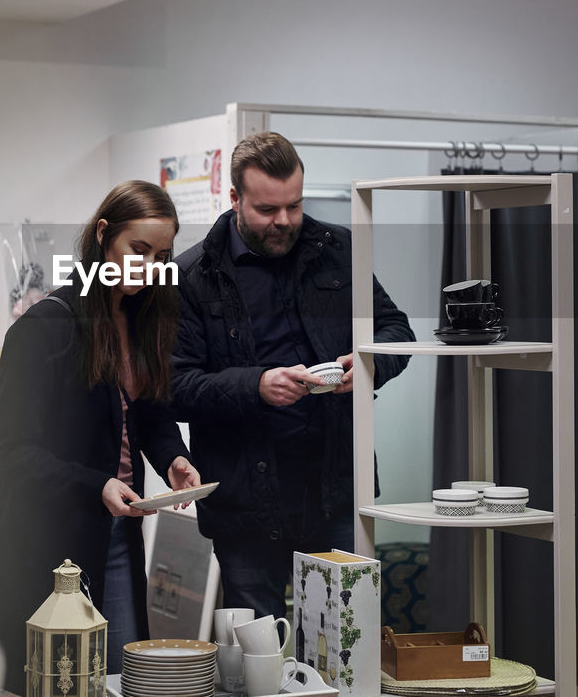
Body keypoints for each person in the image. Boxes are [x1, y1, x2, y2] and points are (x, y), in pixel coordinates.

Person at [170, 132, 414, 620]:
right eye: (267, 209)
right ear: (234, 198)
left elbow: (395, 331)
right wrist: (256, 386)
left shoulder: (337, 248)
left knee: (347, 643)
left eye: (294, 206)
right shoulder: (192, 274)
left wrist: (363, 367)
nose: (284, 221)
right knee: (255, 660)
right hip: (243, 504)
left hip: (336, 492)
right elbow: (176, 388)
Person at [0, 181, 202, 694]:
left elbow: (148, 410)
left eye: (161, 255)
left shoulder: (145, 319)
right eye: (137, 250)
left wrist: (173, 459)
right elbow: (11, 454)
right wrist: (94, 484)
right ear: (104, 236)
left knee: (123, 678)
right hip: (47, 545)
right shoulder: (45, 328)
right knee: (56, 682)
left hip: (117, 534)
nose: (148, 267)